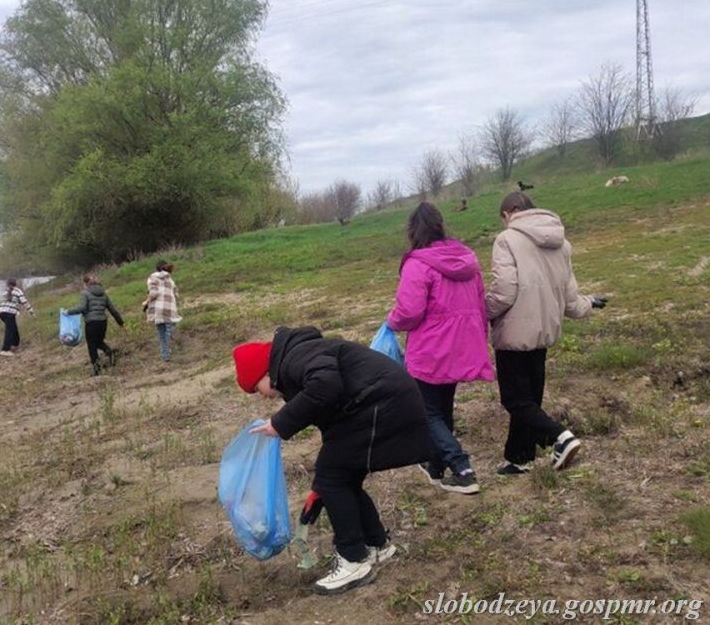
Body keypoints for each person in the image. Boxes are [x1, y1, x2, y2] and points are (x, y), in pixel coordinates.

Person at [232, 326, 431, 596]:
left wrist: (280, 423)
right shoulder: (297, 357)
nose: (264, 396)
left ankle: (353, 560)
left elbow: (325, 387)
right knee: (341, 477)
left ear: (265, 373)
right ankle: (377, 545)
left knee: (332, 477)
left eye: (258, 389)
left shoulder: (293, 360)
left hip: (382, 402)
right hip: (379, 400)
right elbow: (328, 406)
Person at [485, 192, 607, 475]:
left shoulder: (507, 240)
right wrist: (589, 303)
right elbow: (570, 299)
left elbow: (503, 292)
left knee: (515, 400)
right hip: (544, 333)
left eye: (503, 217)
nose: (504, 223)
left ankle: (560, 438)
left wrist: (481, 312)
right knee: (529, 399)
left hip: (514, 333)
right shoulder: (562, 244)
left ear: (511, 211)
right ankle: (519, 458)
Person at [387, 202, 494, 495]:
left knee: (425, 411)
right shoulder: (467, 259)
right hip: (464, 343)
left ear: (412, 231)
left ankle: (462, 468)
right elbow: (480, 300)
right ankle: (436, 465)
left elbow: (409, 311)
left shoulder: (417, 264)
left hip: (432, 348)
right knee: (441, 406)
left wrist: (391, 322)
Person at [65, 275, 125, 376]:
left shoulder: (85, 293)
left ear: (86, 284)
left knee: (92, 346)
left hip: (91, 323)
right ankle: (110, 353)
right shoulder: (103, 294)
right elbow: (112, 310)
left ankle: (97, 369)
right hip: (103, 322)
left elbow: (82, 308)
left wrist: (68, 311)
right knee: (99, 342)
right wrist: (121, 323)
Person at [143, 260, 181, 361]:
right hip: (170, 309)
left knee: (161, 333)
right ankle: (167, 348)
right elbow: (176, 294)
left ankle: (165, 355)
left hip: (158, 309)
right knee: (169, 328)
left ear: (157, 268)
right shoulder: (170, 280)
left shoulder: (152, 278)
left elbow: (153, 294)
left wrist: (146, 302)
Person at [0, 277, 34, 356]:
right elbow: (24, 301)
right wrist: (31, 311)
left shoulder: (5, 291)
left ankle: (15, 343)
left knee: (13, 327)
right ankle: (5, 350)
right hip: (9, 313)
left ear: (7, 284)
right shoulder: (18, 291)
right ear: (15, 284)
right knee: (9, 330)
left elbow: (6, 301)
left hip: (1, 312)